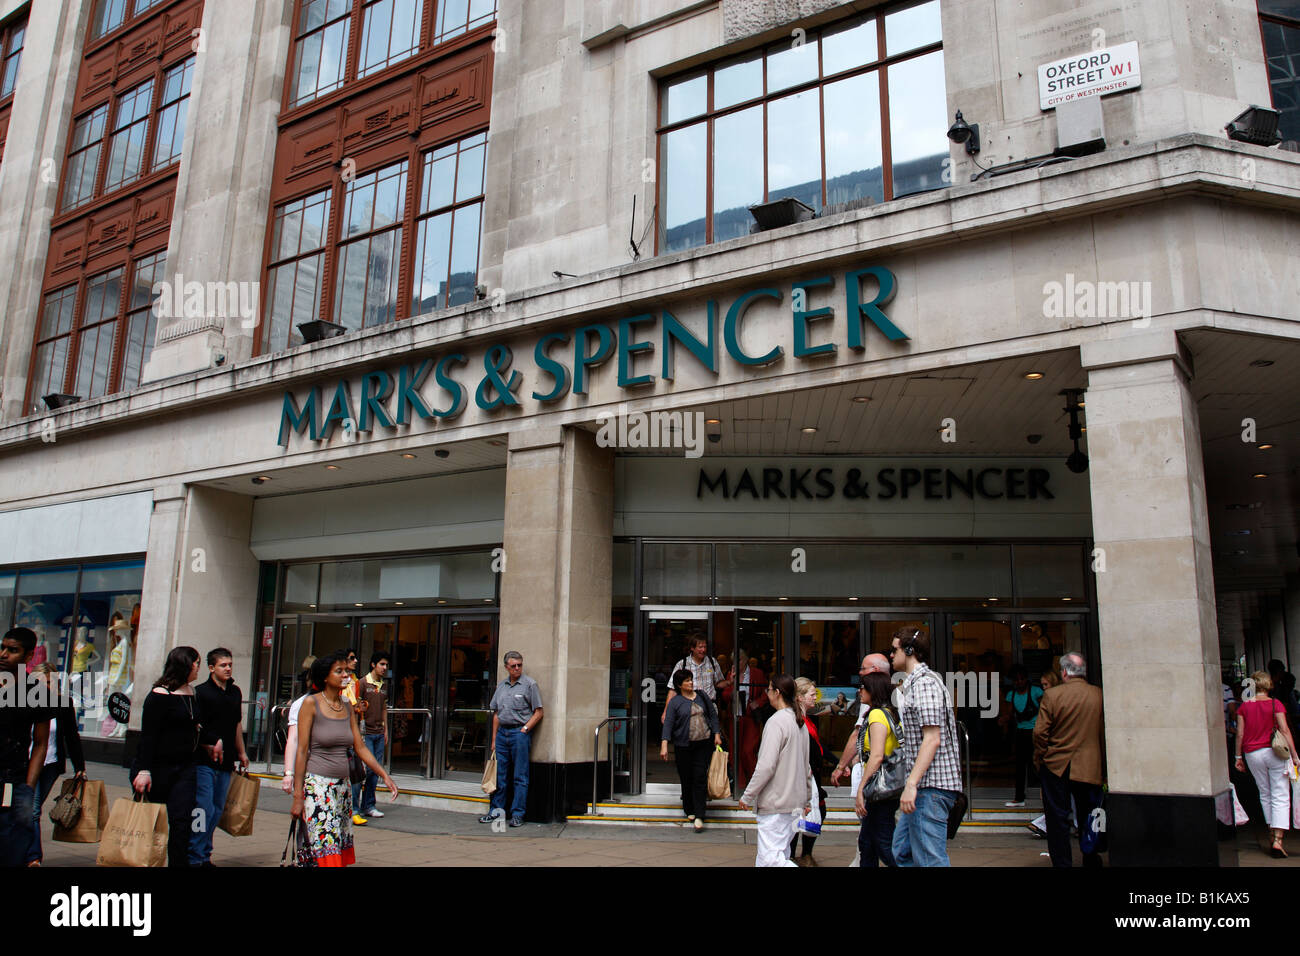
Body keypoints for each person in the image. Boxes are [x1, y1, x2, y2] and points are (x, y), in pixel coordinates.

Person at [291, 653, 398, 867]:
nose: (346, 676)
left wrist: (383, 774)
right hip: (318, 787)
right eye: (339, 671)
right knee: (325, 849)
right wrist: (297, 795)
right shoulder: (310, 704)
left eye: (347, 672)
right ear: (324, 677)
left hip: (343, 788)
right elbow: (301, 751)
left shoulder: (348, 705)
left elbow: (359, 746)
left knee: (337, 847)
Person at [890, 628, 963, 867]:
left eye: (895, 649)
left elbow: (932, 738)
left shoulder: (924, 684)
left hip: (930, 787)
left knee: (930, 859)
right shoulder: (917, 683)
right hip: (925, 786)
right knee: (902, 851)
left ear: (910, 651)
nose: (891, 655)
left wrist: (911, 784)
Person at [131, 646, 201, 867]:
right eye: (196, 663)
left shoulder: (191, 692)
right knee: (154, 822)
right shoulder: (159, 696)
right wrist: (144, 770)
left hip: (186, 767)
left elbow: (193, 724)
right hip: (159, 767)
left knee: (182, 822)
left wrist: (210, 741)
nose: (198, 668)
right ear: (185, 665)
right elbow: (148, 737)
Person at [1033, 652, 1105, 867]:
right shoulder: (1098, 695)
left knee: (1057, 819)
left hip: (1057, 766)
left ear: (1064, 672)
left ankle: (1063, 863)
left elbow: (1039, 733)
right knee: (1088, 816)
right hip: (1090, 767)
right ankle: (1090, 857)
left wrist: (1041, 757)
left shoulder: (1053, 696)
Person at [738, 675, 814, 866]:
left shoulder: (776, 722)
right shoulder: (799, 722)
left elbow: (765, 766)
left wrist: (748, 795)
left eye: (769, 690)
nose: (767, 694)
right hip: (794, 803)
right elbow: (807, 767)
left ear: (777, 693)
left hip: (776, 802)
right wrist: (806, 797)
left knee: (770, 859)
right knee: (776, 855)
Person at [191, 647, 249, 866]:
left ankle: (205, 854)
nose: (227, 668)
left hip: (226, 760)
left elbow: (236, 724)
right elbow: (197, 725)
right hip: (204, 760)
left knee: (216, 810)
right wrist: (208, 743)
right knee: (203, 809)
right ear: (211, 667)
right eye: (223, 665)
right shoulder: (201, 692)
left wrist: (242, 752)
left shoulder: (235, 692)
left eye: (230, 664)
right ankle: (195, 855)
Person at [1235, 670, 1299, 858]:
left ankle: (1271, 832)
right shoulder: (1275, 704)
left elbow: (1239, 733)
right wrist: (1295, 755)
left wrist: (1238, 757)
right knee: (1280, 793)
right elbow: (1285, 730)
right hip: (1275, 752)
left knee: (1265, 793)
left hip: (1253, 754)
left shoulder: (1244, 707)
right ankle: (1278, 839)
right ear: (1268, 685)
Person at [0, 628, 50, 868]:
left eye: (12, 650)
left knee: (15, 842)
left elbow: (41, 743)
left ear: (29, 656)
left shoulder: (38, 693)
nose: (3, 654)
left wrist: (29, 786)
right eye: (2, 648)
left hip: (15, 780)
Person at [27, 663, 86, 866]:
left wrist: (80, 766)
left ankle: (21, 849)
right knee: (33, 810)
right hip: (27, 763)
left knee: (31, 810)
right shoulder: (23, 702)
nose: (44, 687)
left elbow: (71, 736)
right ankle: (33, 857)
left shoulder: (62, 703)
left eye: (49, 682)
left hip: (50, 763)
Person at [479, 651, 543, 827]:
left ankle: (517, 814)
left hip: (518, 734)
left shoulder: (530, 685)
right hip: (502, 735)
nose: (517, 668)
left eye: (520, 665)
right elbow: (497, 714)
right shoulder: (502, 686)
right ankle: (496, 811)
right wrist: (493, 739)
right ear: (506, 667)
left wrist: (524, 729)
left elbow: (538, 712)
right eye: (513, 665)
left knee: (520, 776)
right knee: (500, 776)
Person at [660, 669, 721, 832]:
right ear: (679, 685)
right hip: (683, 745)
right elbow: (669, 723)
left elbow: (713, 716)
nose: (691, 683)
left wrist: (716, 733)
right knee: (686, 777)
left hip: (703, 743)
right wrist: (664, 744)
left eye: (691, 679)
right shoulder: (675, 702)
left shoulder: (702, 696)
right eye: (687, 681)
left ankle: (700, 814)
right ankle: (689, 809)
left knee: (699, 776)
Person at [853, 669, 900, 867]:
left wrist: (861, 789)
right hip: (884, 786)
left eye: (863, 687)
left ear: (874, 690)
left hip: (879, 788)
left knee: (883, 844)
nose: (859, 691)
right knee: (868, 842)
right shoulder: (888, 713)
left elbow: (877, 755)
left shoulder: (877, 716)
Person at [830, 653, 892, 789]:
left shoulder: (873, 707)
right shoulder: (896, 696)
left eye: (863, 669)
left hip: (880, 780)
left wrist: (841, 766)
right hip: (894, 777)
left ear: (875, 670)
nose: (860, 672)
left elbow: (859, 735)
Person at [790, 677, 828, 865]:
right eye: (812, 694)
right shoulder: (796, 721)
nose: (815, 698)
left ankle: (805, 854)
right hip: (803, 776)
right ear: (799, 697)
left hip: (813, 774)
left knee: (814, 811)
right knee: (797, 814)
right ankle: (795, 855)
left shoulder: (809, 720)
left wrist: (839, 763)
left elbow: (818, 746)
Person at [1003, 665, 1044, 807]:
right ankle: (1019, 797)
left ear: (1026, 679)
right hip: (1021, 732)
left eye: (1021, 679)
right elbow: (1009, 713)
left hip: (1035, 732)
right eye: (1016, 680)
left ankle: (1045, 795)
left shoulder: (1036, 692)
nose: (1019, 682)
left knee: (1037, 764)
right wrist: (1003, 720)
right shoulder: (1011, 695)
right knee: (1020, 766)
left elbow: (1045, 710)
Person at [356, 652, 390, 821]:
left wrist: (386, 730)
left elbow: (384, 708)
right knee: (367, 770)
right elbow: (356, 705)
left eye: (386, 665)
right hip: (366, 733)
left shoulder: (384, 685)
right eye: (382, 664)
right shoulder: (362, 683)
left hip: (378, 731)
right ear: (373, 665)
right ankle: (358, 806)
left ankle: (369, 805)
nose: (384, 668)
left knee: (375, 771)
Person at [662, 634, 729, 714]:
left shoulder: (712, 662)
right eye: (700, 647)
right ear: (692, 648)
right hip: (689, 708)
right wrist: (666, 712)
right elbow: (673, 690)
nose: (703, 650)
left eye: (705, 647)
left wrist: (730, 681)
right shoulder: (682, 665)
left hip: (709, 708)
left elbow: (718, 683)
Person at [280, 656, 317, 795]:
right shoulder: (301, 703)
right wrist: (289, 773)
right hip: (310, 770)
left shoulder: (342, 703)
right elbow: (293, 739)